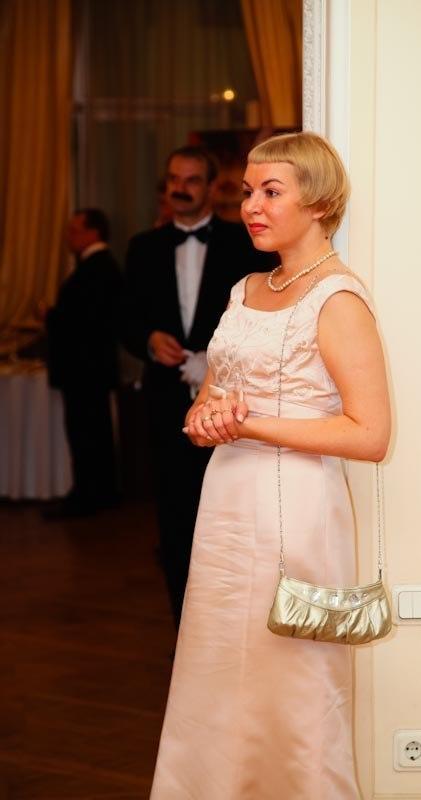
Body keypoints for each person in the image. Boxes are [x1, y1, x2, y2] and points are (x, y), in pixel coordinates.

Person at [149, 131, 392, 798]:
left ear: (319, 203)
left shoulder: (337, 298)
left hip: (298, 513)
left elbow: (371, 435)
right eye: (248, 191)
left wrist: (246, 424)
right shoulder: (244, 289)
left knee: (292, 681)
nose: (252, 206)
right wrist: (205, 417)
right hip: (225, 505)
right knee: (217, 670)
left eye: (271, 192)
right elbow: (213, 395)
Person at [120, 145, 275, 629]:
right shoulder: (143, 247)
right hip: (166, 404)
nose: (180, 188)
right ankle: (184, 628)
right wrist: (148, 340)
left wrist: (218, 359)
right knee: (174, 519)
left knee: (233, 517)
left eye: (191, 180)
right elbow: (124, 319)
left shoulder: (245, 243)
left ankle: (234, 625)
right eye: (174, 179)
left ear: (211, 188)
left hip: (233, 407)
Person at [43, 208, 122, 518]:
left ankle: (89, 495)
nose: (69, 237)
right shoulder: (98, 266)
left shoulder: (96, 268)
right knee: (93, 431)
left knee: (87, 434)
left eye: (74, 230)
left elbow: (85, 321)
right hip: (90, 370)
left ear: (93, 232)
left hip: (84, 370)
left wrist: (51, 316)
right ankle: (97, 492)